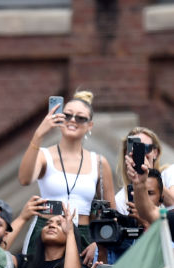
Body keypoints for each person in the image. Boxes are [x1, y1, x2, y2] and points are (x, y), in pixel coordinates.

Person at [17, 90, 115, 255]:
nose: (72, 121)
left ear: (90, 125)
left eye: (80, 118)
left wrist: (98, 242)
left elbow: (111, 211)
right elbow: (25, 179)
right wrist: (39, 134)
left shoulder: (98, 162)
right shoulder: (43, 155)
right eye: (67, 115)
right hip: (47, 229)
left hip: (83, 232)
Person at [114, 126, 174, 213]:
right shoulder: (121, 199)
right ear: (126, 154)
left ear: (155, 153)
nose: (141, 154)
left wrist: (150, 174)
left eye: (145, 148)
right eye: (135, 150)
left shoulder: (172, 172)